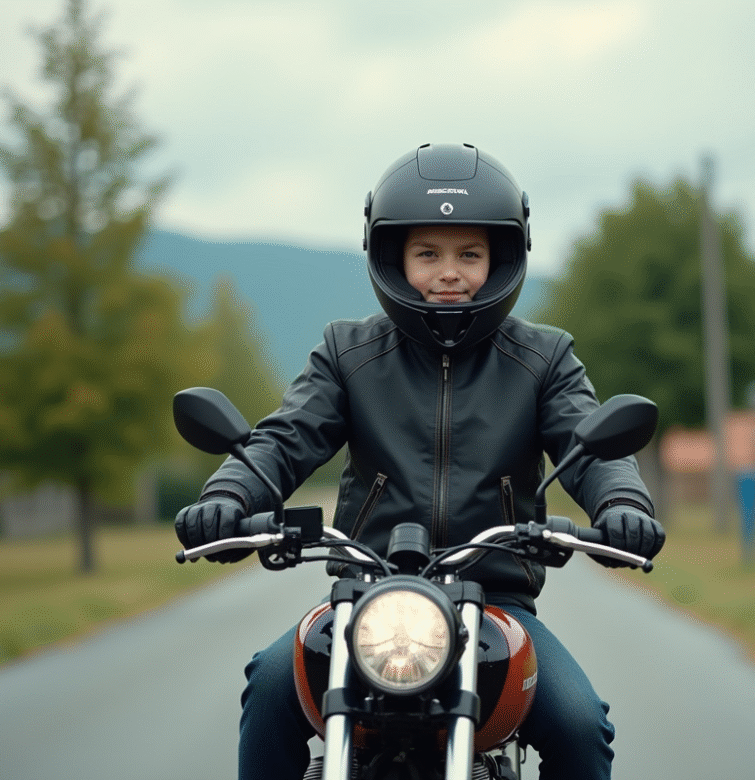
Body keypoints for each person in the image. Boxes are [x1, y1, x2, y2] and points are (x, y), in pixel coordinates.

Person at [175, 142, 665, 780]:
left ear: (502, 257)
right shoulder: (347, 352)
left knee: (580, 723)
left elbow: (587, 445)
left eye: (469, 253)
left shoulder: (544, 359)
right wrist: (229, 497)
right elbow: (285, 437)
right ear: (393, 257)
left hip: (496, 606)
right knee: (270, 685)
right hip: (365, 599)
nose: (449, 272)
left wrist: (622, 504)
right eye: (427, 253)